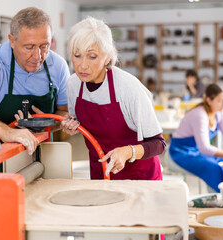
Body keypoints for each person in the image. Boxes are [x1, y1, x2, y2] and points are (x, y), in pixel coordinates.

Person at [61, 17, 166, 180]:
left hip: (139, 178)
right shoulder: (73, 85)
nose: (82, 65)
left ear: (107, 57)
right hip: (101, 174)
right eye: (77, 55)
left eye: (92, 56)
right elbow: (78, 122)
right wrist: (71, 126)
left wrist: (127, 151)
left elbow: (159, 144)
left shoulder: (127, 87)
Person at [0, 7, 70, 160]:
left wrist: (47, 124)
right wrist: (8, 132)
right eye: (29, 47)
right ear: (12, 41)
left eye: (44, 46)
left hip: (42, 160)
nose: (38, 56)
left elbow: (63, 114)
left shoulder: (58, 66)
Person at [169, 83, 223, 192]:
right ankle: (222, 200)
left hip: (198, 152)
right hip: (180, 153)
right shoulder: (200, 115)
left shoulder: (219, 114)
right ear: (209, 100)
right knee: (214, 168)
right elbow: (205, 148)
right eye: (220, 101)